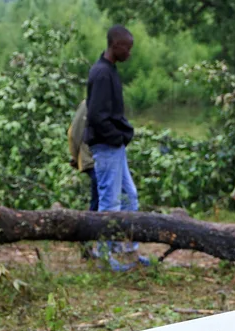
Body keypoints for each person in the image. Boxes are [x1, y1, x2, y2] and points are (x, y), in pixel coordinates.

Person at [86, 25, 148, 269]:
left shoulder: (109, 70)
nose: (129, 53)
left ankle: (127, 250)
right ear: (116, 46)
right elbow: (96, 116)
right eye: (128, 48)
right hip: (106, 147)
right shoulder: (101, 73)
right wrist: (116, 137)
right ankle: (103, 256)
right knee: (109, 202)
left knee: (129, 196)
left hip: (115, 147)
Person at [67, 99, 98, 212]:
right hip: (90, 157)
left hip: (99, 158)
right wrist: (76, 157)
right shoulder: (88, 103)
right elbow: (74, 132)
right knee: (99, 195)